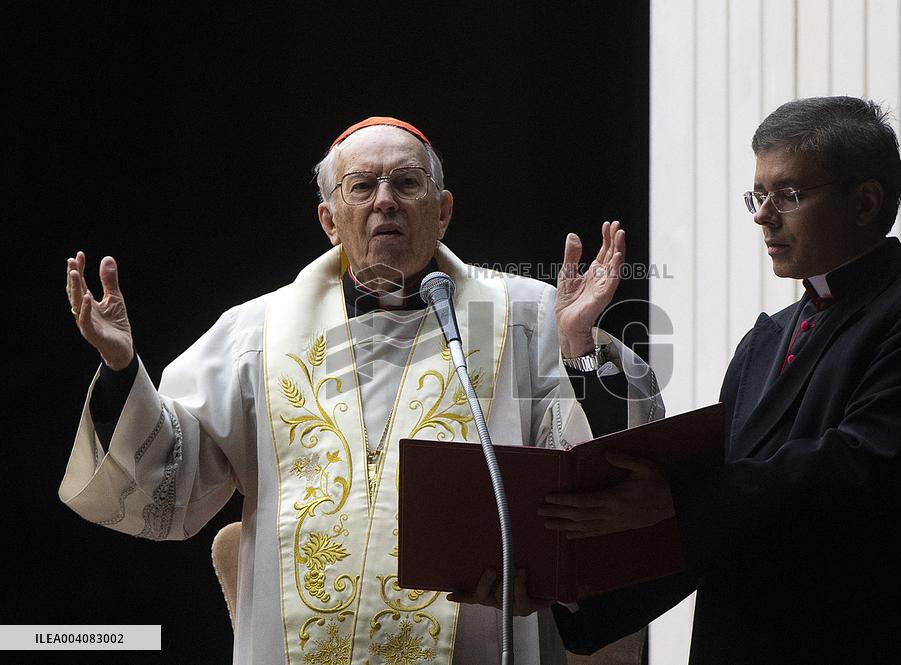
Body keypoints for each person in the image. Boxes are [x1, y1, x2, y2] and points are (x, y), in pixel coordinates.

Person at [60, 117, 663, 665]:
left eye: (406, 183)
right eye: (361, 187)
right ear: (328, 219)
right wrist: (121, 371)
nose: (384, 202)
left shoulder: (527, 317)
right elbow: (174, 481)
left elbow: (610, 478)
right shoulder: (257, 333)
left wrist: (580, 349)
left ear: (443, 209)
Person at [545, 97, 901, 664]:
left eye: (790, 195)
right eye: (759, 196)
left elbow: (857, 471)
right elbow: (717, 516)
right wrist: (560, 592)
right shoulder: (764, 341)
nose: (763, 215)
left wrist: (676, 499)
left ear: (865, 201)